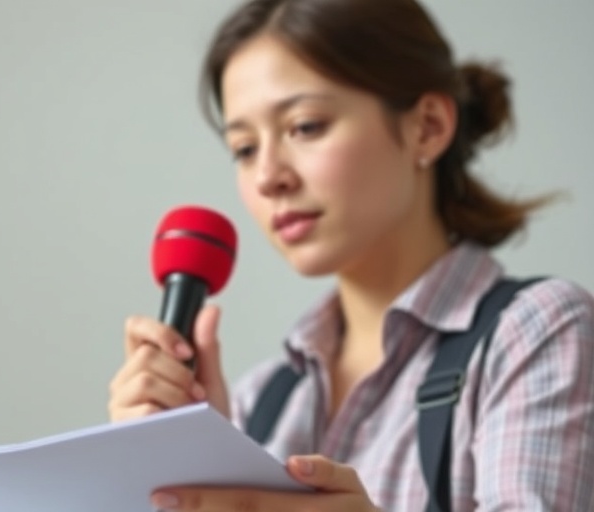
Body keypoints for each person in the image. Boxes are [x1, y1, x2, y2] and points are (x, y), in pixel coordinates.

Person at [107, 0, 594, 510]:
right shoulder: (257, 404)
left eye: (305, 126)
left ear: (427, 127)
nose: (268, 176)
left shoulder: (536, 332)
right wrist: (185, 466)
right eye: (245, 148)